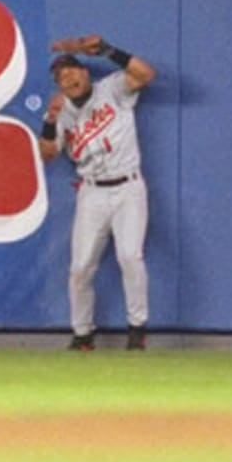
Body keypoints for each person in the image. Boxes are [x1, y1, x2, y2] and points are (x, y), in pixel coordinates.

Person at [39, 32, 157, 351]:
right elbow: (48, 154)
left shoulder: (112, 89)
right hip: (91, 192)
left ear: (85, 72)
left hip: (128, 186)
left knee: (130, 256)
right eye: (61, 76)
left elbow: (145, 74)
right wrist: (50, 120)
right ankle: (82, 335)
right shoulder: (60, 111)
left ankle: (137, 330)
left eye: (72, 70)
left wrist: (107, 50)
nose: (68, 78)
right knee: (80, 267)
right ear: (59, 86)